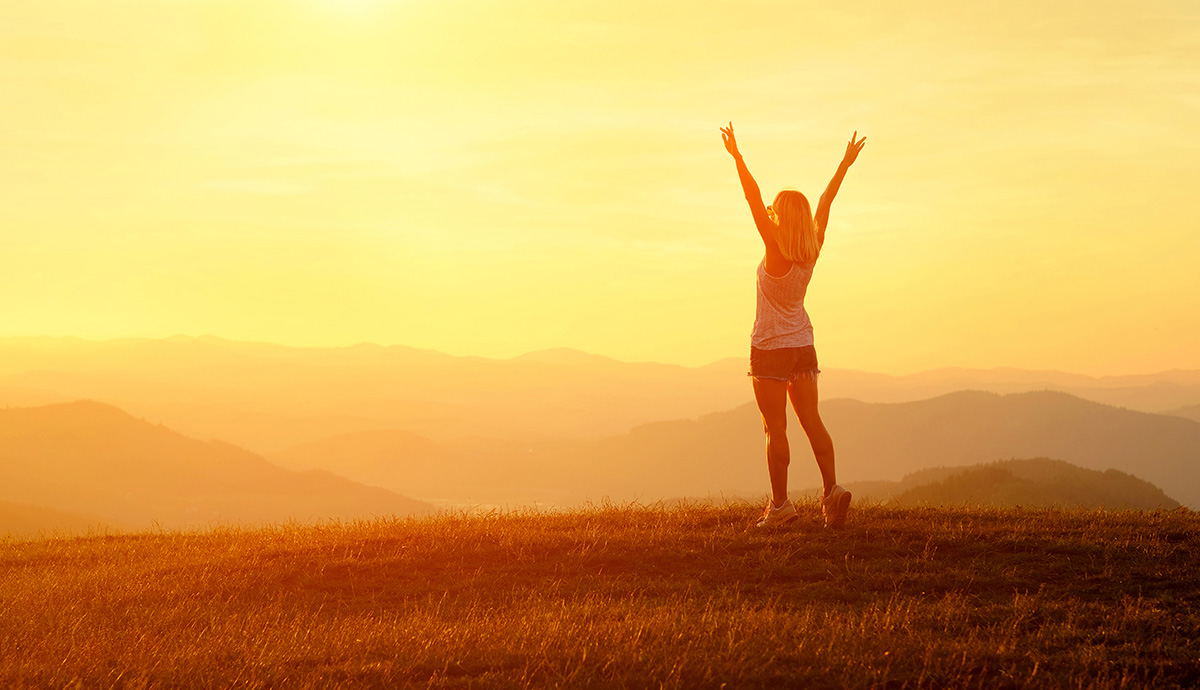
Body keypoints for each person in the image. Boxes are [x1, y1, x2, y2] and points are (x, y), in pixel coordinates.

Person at [720, 122, 866, 529]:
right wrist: (844, 163)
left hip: (769, 348)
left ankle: (781, 506)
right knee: (813, 422)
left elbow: (752, 198)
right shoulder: (811, 247)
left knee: (775, 428)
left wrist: (738, 157)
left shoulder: (775, 247)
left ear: (781, 216)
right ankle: (831, 490)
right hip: (803, 345)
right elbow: (826, 199)